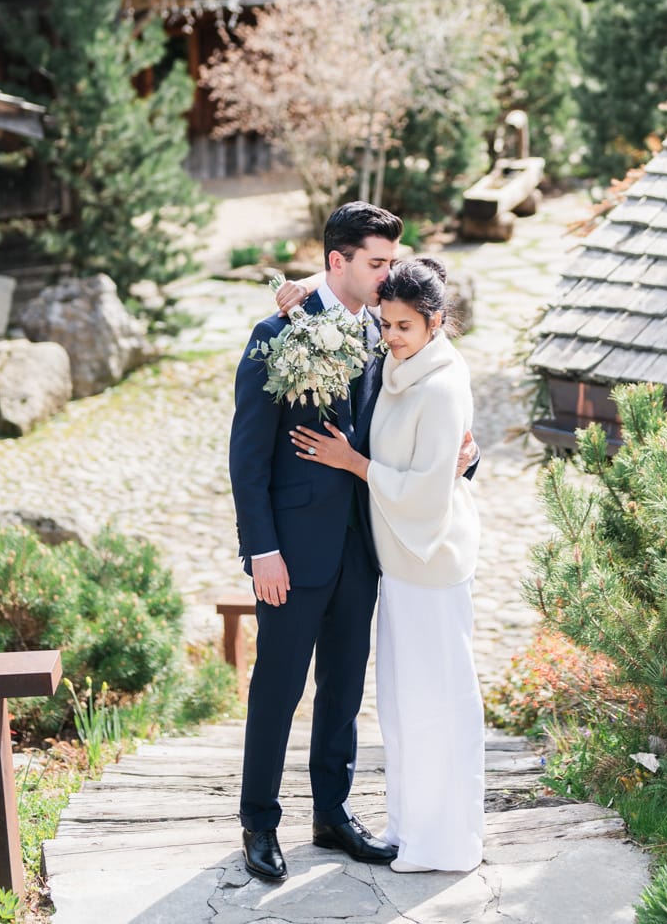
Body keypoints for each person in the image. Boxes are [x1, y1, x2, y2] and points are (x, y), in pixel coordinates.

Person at [229, 201, 405, 883]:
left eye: (392, 261)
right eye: (377, 262)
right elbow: (247, 457)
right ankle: (259, 821)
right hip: (292, 551)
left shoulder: (383, 327)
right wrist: (261, 549)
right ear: (338, 261)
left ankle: (332, 813)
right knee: (277, 686)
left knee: (343, 686)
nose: (389, 274)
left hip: (360, 546)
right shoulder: (277, 331)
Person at [290, 256, 484, 874]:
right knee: (403, 708)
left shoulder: (443, 382)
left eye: (403, 326)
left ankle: (444, 842)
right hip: (397, 564)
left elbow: (428, 489)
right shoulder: (399, 365)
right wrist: (303, 291)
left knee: (437, 704)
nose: (390, 336)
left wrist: (353, 463)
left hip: (431, 563)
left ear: (435, 323)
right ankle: (413, 827)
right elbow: (339, 283)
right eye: (385, 323)